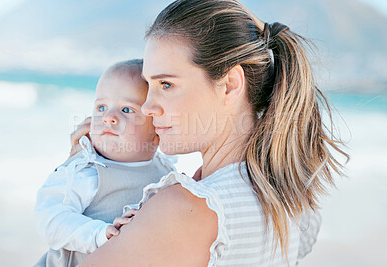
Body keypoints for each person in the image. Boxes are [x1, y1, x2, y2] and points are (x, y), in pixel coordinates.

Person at [77, 0, 349, 266]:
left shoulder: (185, 209)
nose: (148, 106)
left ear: (230, 85)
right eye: (148, 84)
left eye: (166, 84)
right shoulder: (288, 196)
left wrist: (79, 181)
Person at [34, 59, 175, 267]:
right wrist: (100, 233)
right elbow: (50, 220)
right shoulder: (86, 170)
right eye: (101, 107)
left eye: (127, 110)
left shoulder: (165, 171)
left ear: (158, 131)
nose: (109, 117)